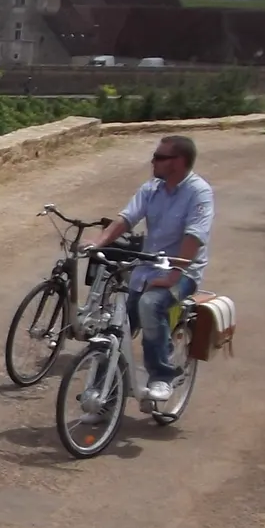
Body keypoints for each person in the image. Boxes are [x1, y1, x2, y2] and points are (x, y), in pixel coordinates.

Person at [84, 135, 214, 404]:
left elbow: (194, 237)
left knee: (150, 305)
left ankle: (162, 376)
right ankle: (102, 394)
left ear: (177, 162)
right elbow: (126, 219)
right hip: (146, 270)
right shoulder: (151, 188)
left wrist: (173, 276)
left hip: (183, 273)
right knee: (114, 325)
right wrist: (98, 243)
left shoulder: (199, 193)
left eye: (159, 157)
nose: (152, 161)